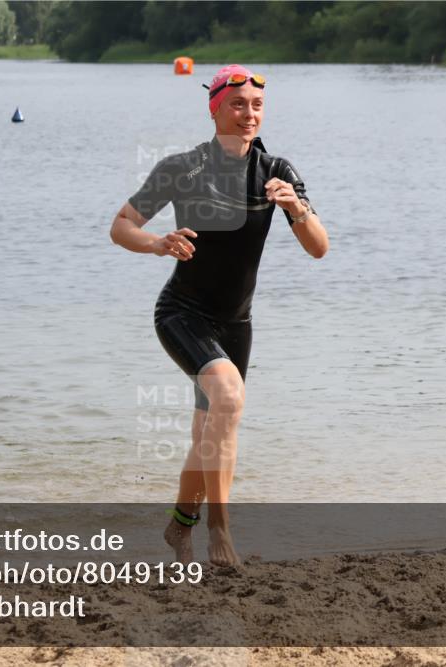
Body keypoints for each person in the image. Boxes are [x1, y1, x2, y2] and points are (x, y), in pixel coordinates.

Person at [110, 64, 329, 566]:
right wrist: (158, 243)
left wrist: (296, 208)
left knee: (210, 432)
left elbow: (319, 248)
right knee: (228, 398)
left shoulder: (277, 173)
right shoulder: (181, 167)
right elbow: (121, 226)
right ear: (215, 110)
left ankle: (178, 527)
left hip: (237, 323)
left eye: (256, 106)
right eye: (236, 104)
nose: (248, 114)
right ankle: (221, 533)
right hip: (182, 313)